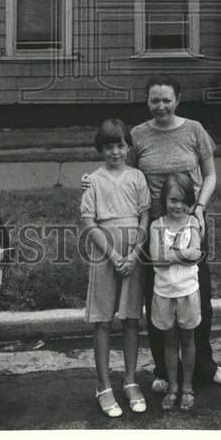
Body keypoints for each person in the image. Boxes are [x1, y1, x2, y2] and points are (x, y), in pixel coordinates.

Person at [126, 74, 221, 392]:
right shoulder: (138, 134)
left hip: (191, 223)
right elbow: (127, 174)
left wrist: (199, 208)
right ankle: (162, 369)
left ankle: (204, 364)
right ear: (147, 101)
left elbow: (210, 174)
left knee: (198, 293)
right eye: (154, 100)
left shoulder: (195, 130)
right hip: (155, 227)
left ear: (178, 100)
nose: (160, 106)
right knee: (157, 296)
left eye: (166, 100)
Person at [80, 118, 151, 418]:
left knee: (131, 317)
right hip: (104, 254)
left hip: (133, 253)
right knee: (102, 319)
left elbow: (145, 216)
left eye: (120, 145)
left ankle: (131, 380)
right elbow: (89, 222)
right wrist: (111, 254)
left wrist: (134, 254)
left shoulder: (137, 177)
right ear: (101, 149)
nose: (115, 152)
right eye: (108, 146)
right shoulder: (93, 180)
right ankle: (104, 385)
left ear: (128, 147)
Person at [149, 173, 202, 412]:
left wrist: (170, 255)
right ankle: (173, 387)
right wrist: (182, 255)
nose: (177, 205)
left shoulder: (193, 223)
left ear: (190, 202)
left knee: (188, 339)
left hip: (188, 291)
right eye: (172, 200)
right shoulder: (156, 226)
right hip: (163, 292)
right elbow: (156, 260)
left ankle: (188, 387)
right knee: (169, 341)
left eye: (183, 200)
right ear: (164, 200)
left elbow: (196, 254)